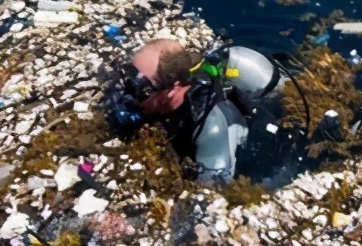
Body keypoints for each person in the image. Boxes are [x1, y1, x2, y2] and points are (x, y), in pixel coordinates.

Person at [104, 38, 287, 183]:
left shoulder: (210, 128)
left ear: (173, 90)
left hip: (256, 152)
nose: (130, 94)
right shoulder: (172, 87)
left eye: (140, 88)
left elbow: (214, 190)